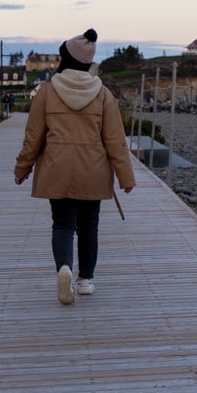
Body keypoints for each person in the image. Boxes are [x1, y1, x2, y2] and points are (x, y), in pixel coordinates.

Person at [14, 29, 136, 305]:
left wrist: (22, 169)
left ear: (65, 58)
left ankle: (64, 268)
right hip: (93, 170)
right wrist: (125, 177)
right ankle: (85, 281)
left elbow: (33, 138)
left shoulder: (47, 92)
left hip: (56, 169)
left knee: (63, 225)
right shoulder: (103, 94)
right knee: (89, 226)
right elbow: (116, 141)